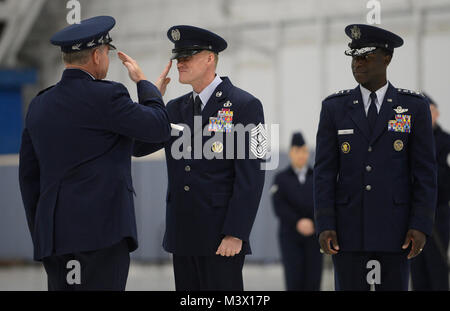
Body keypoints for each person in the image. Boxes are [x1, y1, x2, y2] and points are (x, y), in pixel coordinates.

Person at [18, 16, 171, 290]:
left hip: (54, 237)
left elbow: (28, 178)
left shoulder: (39, 104)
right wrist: (145, 86)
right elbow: (159, 128)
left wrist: (42, 232)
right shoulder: (108, 96)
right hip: (101, 233)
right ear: (98, 55)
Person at [133, 25, 265, 290]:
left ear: (209, 58)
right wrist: (151, 101)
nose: (180, 63)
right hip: (183, 234)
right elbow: (138, 146)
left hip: (221, 235)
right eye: (178, 57)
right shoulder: (173, 108)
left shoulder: (245, 105)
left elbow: (252, 175)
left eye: (188, 56)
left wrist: (236, 232)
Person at [313, 24, 437, 291]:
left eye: (366, 56)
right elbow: (323, 173)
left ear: (387, 58)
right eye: (354, 56)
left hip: (397, 232)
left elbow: (425, 173)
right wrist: (325, 224)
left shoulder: (414, 108)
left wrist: (421, 225)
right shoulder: (334, 108)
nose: (358, 63)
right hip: (348, 233)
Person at [271, 132, 323, 291]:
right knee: (293, 277)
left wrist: (314, 222)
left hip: (314, 235)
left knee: (313, 278)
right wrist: (297, 222)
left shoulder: (317, 176)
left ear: (308, 153)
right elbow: (279, 206)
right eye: (297, 151)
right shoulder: (281, 178)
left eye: (304, 151)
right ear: (290, 153)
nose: (301, 155)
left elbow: (323, 202)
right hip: (290, 235)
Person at [410, 93, 450, 290]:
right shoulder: (410, 139)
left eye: (428, 111)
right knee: (417, 268)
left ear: (437, 113)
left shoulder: (446, 142)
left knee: (437, 266)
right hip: (413, 213)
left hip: (437, 213)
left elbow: (444, 179)